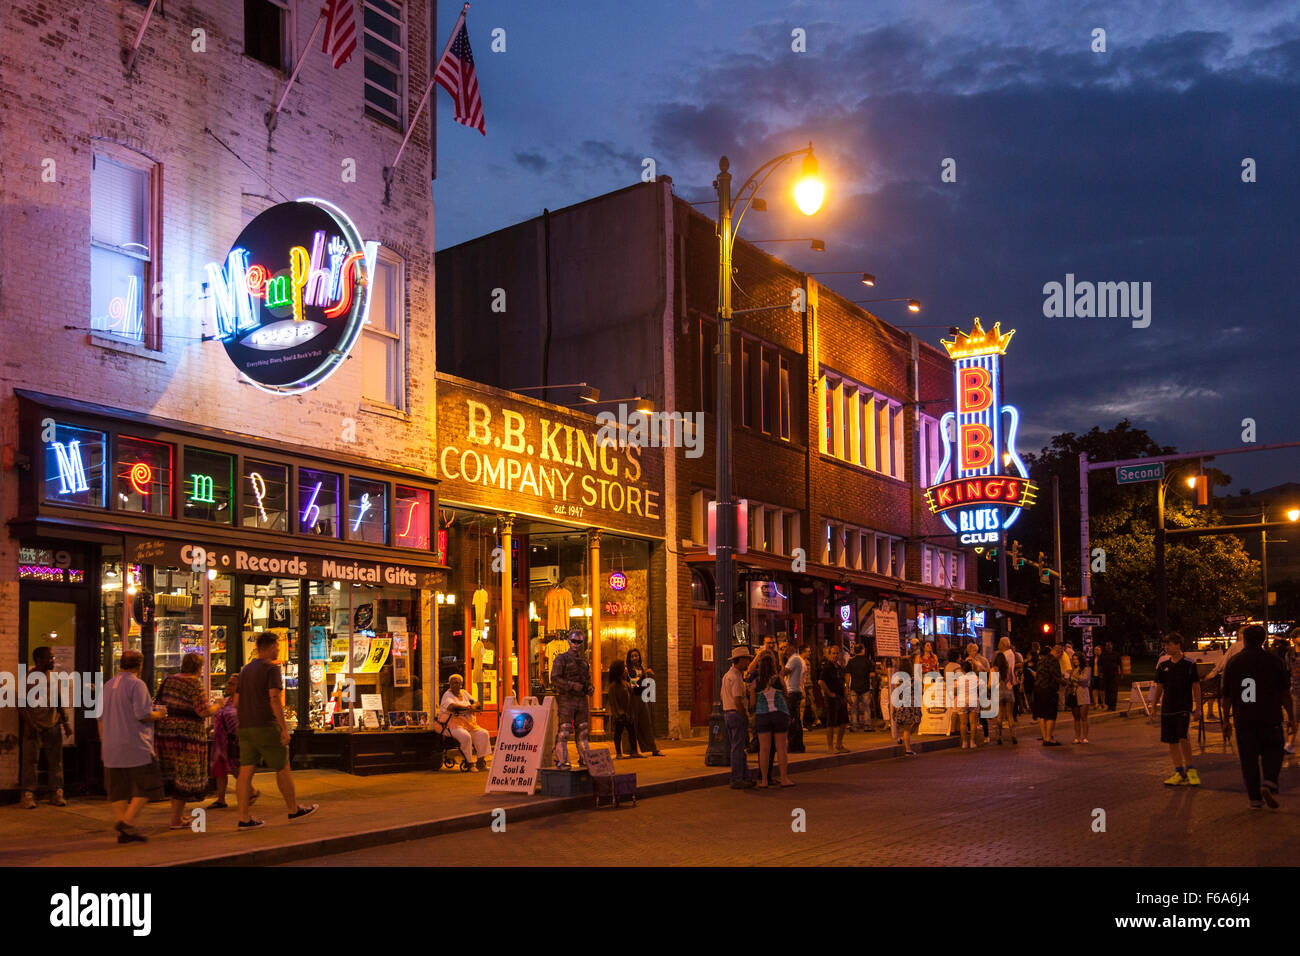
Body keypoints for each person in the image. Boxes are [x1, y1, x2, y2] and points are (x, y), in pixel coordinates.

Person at [236, 632, 318, 829]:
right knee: (282, 767)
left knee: (245, 772)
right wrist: (283, 728)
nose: (279, 650)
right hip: (265, 725)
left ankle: (244, 817)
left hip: (245, 727)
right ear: (270, 646)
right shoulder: (271, 669)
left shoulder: (245, 670)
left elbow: (236, 701)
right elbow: (274, 698)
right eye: (277, 646)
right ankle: (293, 809)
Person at [1222, 624, 1297, 808]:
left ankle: (1254, 798)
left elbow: (1227, 696)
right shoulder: (1273, 661)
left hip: (1244, 719)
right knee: (1274, 751)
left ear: (1244, 640)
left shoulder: (1234, 662)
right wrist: (1291, 717)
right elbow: (1284, 693)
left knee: (1249, 760)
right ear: (1264, 640)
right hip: (1270, 717)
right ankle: (1269, 780)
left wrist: (1225, 719)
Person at [99, 649, 167, 844]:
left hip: (111, 745)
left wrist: (103, 743)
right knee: (150, 784)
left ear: (121, 664)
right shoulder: (137, 685)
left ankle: (123, 828)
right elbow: (142, 714)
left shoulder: (108, 685)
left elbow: (100, 718)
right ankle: (127, 821)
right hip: (136, 745)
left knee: (118, 789)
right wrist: (159, 714)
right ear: (140, 665)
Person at [155, 652, 220, 829]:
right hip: (186, 737)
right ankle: (175, 820)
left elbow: (159, 701)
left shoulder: (170, 680)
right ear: (198, 667)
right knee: (184, 775)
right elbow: (203, 711)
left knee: (175, 774)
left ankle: (179, 816)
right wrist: (218, 706)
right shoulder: (194, 683)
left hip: (167, 734)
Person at [19, 645, 71, 810]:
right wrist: (31, 725)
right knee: (30, 762)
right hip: (33, 727)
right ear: (39, 660)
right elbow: (21, 705)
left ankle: (56, 792)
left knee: (56, 762)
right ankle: (28, 794)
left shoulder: (53, 677)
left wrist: (65, 722)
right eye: (50, 658)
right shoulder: (27, 678)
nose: (53, 660)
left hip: (53, 724)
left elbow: (58, 700)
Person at [1150, 633, 1201, 787]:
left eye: (1169, 644)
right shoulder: (1163, 665)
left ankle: (1191, 769)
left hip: (1183, 707)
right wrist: (1153, 706)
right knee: (1171, 740)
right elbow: (1159, 686)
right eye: (1165, 645)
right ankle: (1179, 772)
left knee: (1183, 738)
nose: (1166, 647)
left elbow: (1196, 686)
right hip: (1167, 708)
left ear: (1178, 645)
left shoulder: (1189, 664)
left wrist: (1198, 708)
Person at [208, 675, 258, 809]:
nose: (228, 686)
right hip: (220, 740)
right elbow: (220, 716)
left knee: (235, 768)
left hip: (233, 739)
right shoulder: (225, 701)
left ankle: (252, 791)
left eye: (232, 684)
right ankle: (221, 799)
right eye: (228, 683)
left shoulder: (243, 701)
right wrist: (211, 727)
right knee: (220, 769)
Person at [550, 629, 594, 770]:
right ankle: (562, 760)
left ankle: (585, 759)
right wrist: (570, 685)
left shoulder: (583, 662)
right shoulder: (561, 659)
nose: (576, 644)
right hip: (567, 698)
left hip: (581, 699)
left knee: (583, 730)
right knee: (564, 730)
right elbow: (555, 678)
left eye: (579, 642)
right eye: (574, 641)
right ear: (569, 641)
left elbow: (587, 679)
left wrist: (590, 688)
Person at [439, 674, 492, 769]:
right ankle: (469, 763)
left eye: (458, 683)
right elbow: (452, 706)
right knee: (465, 736)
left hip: (469, 724)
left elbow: (477, 703)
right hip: (453, 726)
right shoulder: (447, 695)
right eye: (453, 683)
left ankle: (480, 762)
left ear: (461, 684)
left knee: (483, 733)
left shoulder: (464, 693)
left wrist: (474, 706)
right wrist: (467, 708)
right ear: (450, 684)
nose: (455, 685)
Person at [722, 645, 756, 789]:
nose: (748, 663)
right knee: (738, 748)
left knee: (738, 747)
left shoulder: (727, 676)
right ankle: (737, 778)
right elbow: (737, 700)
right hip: (736, 714)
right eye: (747, 660)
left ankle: (744, 776)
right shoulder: (735, 677)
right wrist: (745, 715)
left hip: (728, 713)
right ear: (740, 660)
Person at [754, 671, 795, 788]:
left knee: (764, 749)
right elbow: (786, 693)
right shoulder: (779, 679)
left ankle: (764, 780)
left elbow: (752, 702)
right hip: (779, 714)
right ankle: (784, 778)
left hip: (763, 715)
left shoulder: (756, 682)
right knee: (781, 747)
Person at [624, 648, 663, 756]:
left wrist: (645, 675)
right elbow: (630, 684)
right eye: (632, 656)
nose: (635, 658)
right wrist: (639, 677)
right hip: (633, 698)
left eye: (636, 655)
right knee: (633, 724)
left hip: (642, 697)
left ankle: (652, 748)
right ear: (629, 658)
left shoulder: (641, 668)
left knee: (646, 723)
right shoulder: (627, 670)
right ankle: (632, 750)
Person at [818, 644, 850, 752]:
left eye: (837, 653)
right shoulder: (827, 667)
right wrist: (829, 693)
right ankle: (830, 747)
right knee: (831, 723)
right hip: (832, 699)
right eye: (833, 653)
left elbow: (843, 682)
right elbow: (821, 682)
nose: (835, 655)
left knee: (843, 722)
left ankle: (839, 744)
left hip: (841, 697)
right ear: (829, 654)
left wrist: (846, 696)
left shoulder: (839, 667)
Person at [607, 660, 642, 759]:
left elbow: (633, 693)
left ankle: (634, 751)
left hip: (628, 713)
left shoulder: (626, 683)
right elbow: (613, 702)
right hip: (620, 715)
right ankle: (618, 753)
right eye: (624, 668)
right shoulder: (613, 686)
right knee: (618, 733)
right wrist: (619, 713)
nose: (626, 670)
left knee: (632, 732)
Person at [891, 655, 922, 756]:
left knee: (913, 725)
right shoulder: (912, 679)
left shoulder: (898, 679)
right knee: (909, 727)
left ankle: (903, 739)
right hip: (910, 704)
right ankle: (908, 749)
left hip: (905, 704)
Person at [1033, 645, 1064, 745]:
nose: (1061, 657)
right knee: (1051, 714)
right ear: (1058, 652)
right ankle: (1048, 738)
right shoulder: (1054, 661)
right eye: (1061, 654)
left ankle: (1044, 736)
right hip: (1049, 690)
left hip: (1038, 689)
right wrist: (1065, 682)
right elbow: (1056, 676)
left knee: (1042, 715)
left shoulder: (1041, 660)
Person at [781, 643, 806, 753]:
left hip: (792, 691)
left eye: (786, 647)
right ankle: (798, 745)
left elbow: (783, 673)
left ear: (792, 648)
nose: (785, 650)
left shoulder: (794, 659)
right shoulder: (797, 659)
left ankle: (793, 744)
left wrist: (780, 659)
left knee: (791, 719)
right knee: (795, 719)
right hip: (795, 691)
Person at [846, 643, 874, 732]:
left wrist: (847, 686)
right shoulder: (867, 661)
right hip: (865, 686)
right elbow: (872, 674)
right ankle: (867, 726)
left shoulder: (851, 661)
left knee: (854, 708)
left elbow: (847, 675)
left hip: (854, 687)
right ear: (862, 650)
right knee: (866, 707)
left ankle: (854, 726)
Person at [992, 648, 1017, 743]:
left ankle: (999, 737)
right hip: (1009, 693)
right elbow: (1014, 681)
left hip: (998, 693)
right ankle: (1013, 736)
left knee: (999, 716)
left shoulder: (993, 670)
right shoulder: (1009, 668)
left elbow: (991, 684)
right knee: (1010, 716)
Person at [1068, 650, 1091, 744]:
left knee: (1083, 717)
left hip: (1083, 694)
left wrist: (1073, 677)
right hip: (1074, 694)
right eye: (1073, 659)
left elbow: (1085, 679)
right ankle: (1077, 737)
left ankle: (1085, 737)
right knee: (1076, 717)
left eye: (1076, 659)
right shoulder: (1071, 669)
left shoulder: (1087, 668)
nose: (1075, 661)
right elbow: (1068, 681)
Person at [1287, 628, 1300, 754]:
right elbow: (1286, 671)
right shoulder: (1290, 653)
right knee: (1293, 718)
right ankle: (1290, 743)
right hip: (1295, 690)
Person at [1099, 641, 1122, 711]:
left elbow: (1119, 664)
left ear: (1112, 646)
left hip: (1114, 675)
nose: (1108, 647)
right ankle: (1109, 705)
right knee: (1107, 690)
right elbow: (1100, 664)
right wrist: (1100, 673)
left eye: (1109, 645)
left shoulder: (1116, 654)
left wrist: (1120, 673)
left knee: (1113, 690)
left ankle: (1113, 705)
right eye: (1107, 645)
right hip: (1106, 675)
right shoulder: (1103, 655)